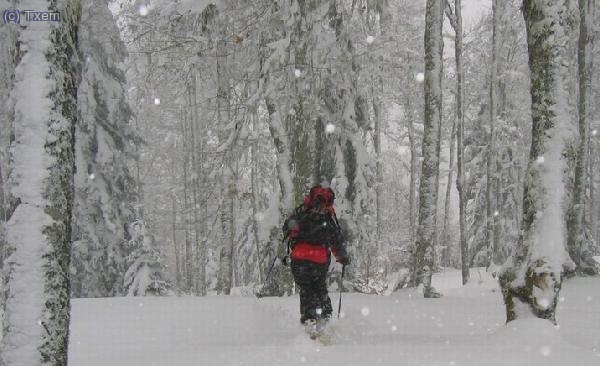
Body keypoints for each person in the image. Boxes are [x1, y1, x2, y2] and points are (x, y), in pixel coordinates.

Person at [282, 185, 350, 325]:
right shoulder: (328, 219)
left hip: (300, 261)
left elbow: (287, 229)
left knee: (307, 289)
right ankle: (325, 317)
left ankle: (311, 319)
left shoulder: (301, 213)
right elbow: (336, 240)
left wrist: (293, 229)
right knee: (319, 288)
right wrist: (342, 257)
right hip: (319, 262)